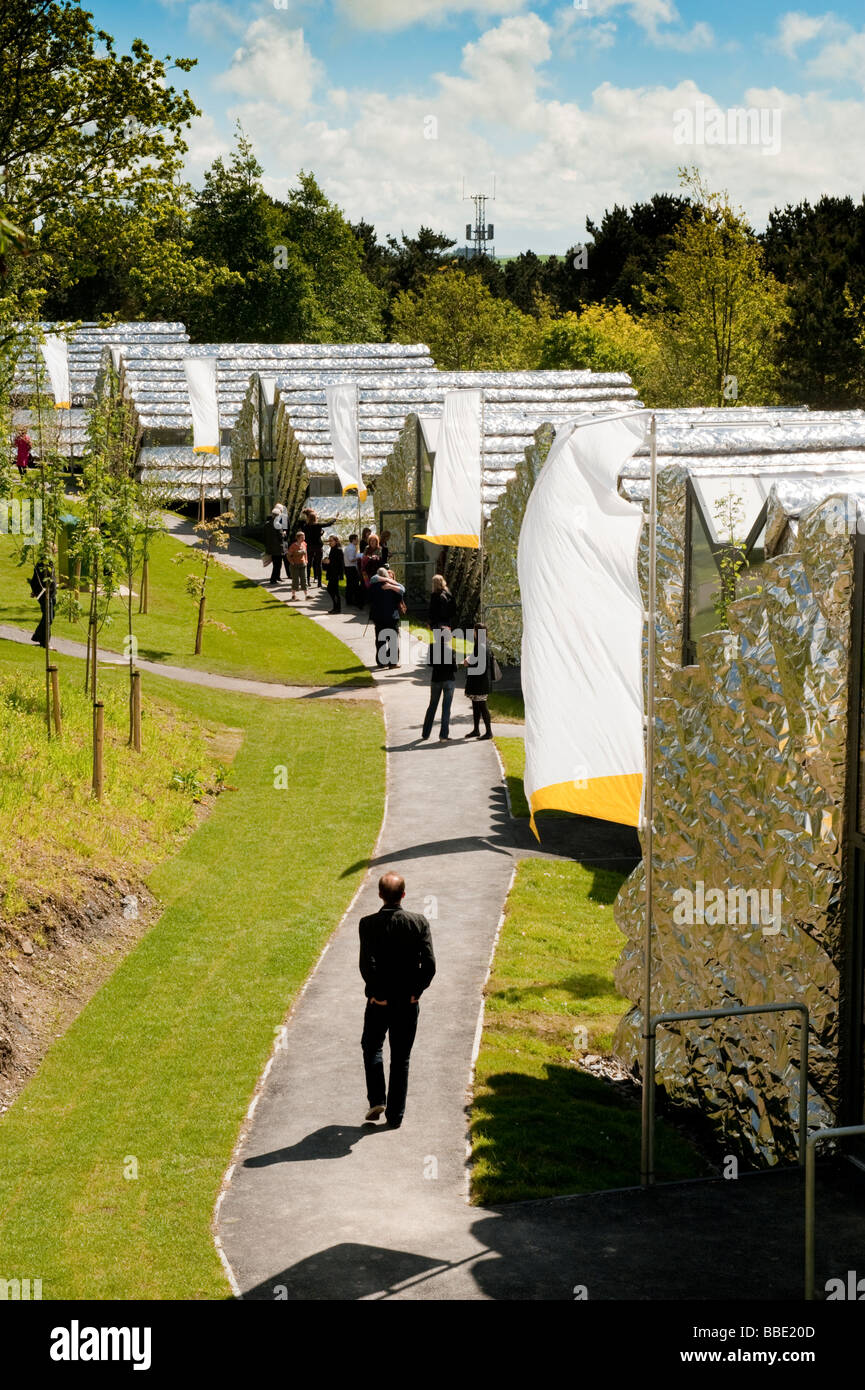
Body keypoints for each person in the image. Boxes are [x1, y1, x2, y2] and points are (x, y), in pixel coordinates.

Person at [359, 871, 436, 1128]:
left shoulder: (367, 924)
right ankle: (395, 1116)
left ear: (380, 895)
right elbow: (429, 964)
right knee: (401, 1057)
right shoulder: (419, 923)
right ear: (403, 895)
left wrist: (378, 995)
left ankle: (377, 1098)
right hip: (407, 1002)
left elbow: (366, 966)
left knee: (372, 1047)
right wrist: (417, 991)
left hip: (379, 1002)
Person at [421, 625, 457, 741]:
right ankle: (443, 735)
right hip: (448, 680)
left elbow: (429, 663)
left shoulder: (432, 647)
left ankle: (425, 733)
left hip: (436, 679)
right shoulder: (451, 650)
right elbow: (454, 668)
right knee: (446, 708)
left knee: (432, 706)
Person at [462, 624, 498, 739]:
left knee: (482, 706)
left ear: (477, 632)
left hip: (480, 682)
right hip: (480, 681)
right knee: (476, 706)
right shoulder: (484, 643)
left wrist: (467, 661)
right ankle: (476, 730)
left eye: (474, 630)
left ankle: (488, 732)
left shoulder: (480, 645)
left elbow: (476, 661)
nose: (473, 632)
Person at [368, 566, 405, 668]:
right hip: (392, 616)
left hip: (378, 616)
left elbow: (369, 599)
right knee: (393, 639)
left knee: (380, 639)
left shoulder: (373, 586)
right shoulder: (393, 586)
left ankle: (381, 661)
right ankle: (392, 662)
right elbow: (400, 597)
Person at [301, 508, 337, 588]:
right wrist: (334, 519)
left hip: (309, 546)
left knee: (309, 563)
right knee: (318, 564)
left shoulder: (305, 526)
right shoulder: (318, 525)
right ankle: (319, 582)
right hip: (318, 546)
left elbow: (307, 536)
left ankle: (307, 581)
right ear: (315, 518)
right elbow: (328, 524)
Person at [30, 556, 57, 647]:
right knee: (48, 617)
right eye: (55, 549)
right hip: (45, 594)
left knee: (50, 616)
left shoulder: (50, 562)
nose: (56, 551)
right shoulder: (43, 564)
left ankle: (38, 636)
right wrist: (36, 591)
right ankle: (45, 642)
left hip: (52, 594)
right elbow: (36, 579)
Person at [263, 503, 288, 584]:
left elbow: (264, 535)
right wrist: (284, 533)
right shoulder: (278, 525)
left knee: (276, 564)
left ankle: (277, 577)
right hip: (278, 547)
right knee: (278, 565)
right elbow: (281, 537)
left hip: (270, 547)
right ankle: (273, 579)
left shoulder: (267, 524)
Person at [324, 534, 345, 613]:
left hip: (335, 573)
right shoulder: (332, 549)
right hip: (332, 572)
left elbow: (340, 563)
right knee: (330, 589)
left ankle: (337, 608)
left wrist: (330, 561)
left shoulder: (338, 549)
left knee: (334, 590)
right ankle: (335, 607)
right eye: (329, 541)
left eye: (331, 541)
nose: (329, 542)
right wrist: (327, 561)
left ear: (336, 541)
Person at [287, 531, 308, 600]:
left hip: (303, 564)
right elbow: (288, 555)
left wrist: (306, 560)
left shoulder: (304, 544)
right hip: (295, 566)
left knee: (304, 580)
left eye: (304, 536)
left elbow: (305, 553)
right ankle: (293, 596)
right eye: (302, 537)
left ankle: (306, 595)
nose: (304, 538)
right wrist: (291, 562)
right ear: (298, 538)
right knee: (295, 581)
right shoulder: (293, 546)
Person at [343, 533, 360, 606]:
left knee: (350, 584)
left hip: (349, 567)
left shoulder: (350, 547)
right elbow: (351, 559)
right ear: (353, 540)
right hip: (351, 568)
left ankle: (350, 600)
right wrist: (359, 557)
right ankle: (351, 600)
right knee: (353, 584)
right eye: (357, 539)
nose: (358, 541)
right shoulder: (351, 548)